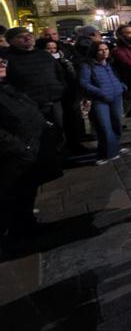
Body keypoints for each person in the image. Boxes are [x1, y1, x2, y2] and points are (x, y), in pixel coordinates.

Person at [0, 52, 61, 248]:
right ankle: (16, 234)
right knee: (13, 196)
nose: (2, 62)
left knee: (26, 192)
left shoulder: (7, 86)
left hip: (30, 149)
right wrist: (20, 147)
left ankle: (26, 226)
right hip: (14, 155)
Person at [4, 27, 68, 135]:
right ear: (11, 41)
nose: (27, 38)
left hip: (54, 102)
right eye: (20, 37)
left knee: (58, 132)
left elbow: (59, 73)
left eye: (29, 35)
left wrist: (60, 89)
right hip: (29, 105)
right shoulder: (7, 59)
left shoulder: (44, 55)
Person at [78, 42, 126, 164]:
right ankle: (104, 154)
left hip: (116, 97)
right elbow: (84, 83)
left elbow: (116, 77)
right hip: (100, 100)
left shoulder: (110, 63)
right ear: (95, 52)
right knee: (104, 127)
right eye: (101, 50)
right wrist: (100, 92)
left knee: (117, 123)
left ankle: (114, 147)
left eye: (106, 49)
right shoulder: (88, 66)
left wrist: (121, 86)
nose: (104, 52)